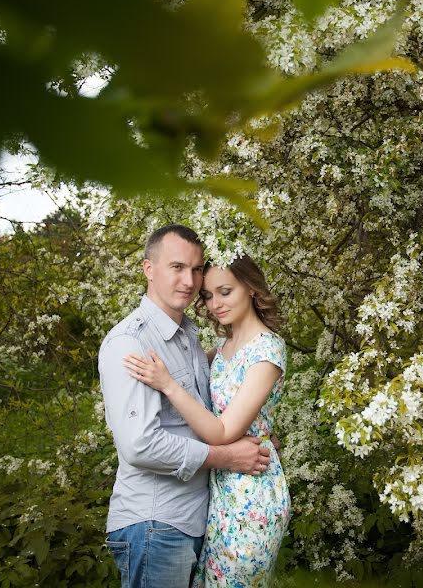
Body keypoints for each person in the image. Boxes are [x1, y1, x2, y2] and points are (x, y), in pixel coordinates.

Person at [99, 225, 273, 588]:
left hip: (197, 518)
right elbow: (140, 445)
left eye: (196, 270)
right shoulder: (131, 342)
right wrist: (225, 456)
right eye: (177, 267)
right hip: (155, 523)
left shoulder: (188, 338)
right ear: (149, 269)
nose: (189, 280)